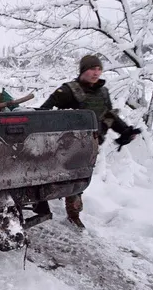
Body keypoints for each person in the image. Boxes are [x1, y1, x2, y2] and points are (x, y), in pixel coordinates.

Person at [38, 54, 139, 228]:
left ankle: (74, 215)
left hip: (90, 145)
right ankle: (39, 201)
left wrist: (125, 131)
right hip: (65, 146)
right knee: (50, 175)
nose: (96, 73)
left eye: (99, 69)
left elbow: (108, 116)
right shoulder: (68, 90)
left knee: (79, 180)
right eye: (92, 69)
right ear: (83, 70)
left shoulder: (103, 92)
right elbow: (44, 113)